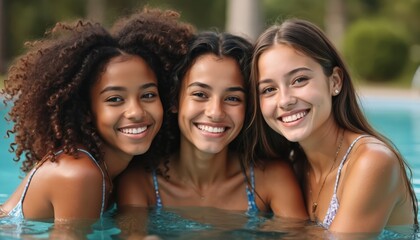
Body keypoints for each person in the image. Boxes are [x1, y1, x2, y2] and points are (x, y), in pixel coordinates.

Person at [0, 7, 194, 223]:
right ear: (87, 111)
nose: (136, 112)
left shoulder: (122, 170)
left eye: (148, 95)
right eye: (115, 99)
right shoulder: (80, 174)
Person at [116, 31, 308, 220]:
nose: (215, 112)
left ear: (248, 107)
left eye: (233, 98)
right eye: (200, 95)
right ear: (175, 100)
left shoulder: (271, 178)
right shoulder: (140, 182)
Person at [250, 18, 418, 232]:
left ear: (335, 81)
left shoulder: (371, 161)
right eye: (268, 89)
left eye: (299, 80)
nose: (284, 100)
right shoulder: (294, 167)